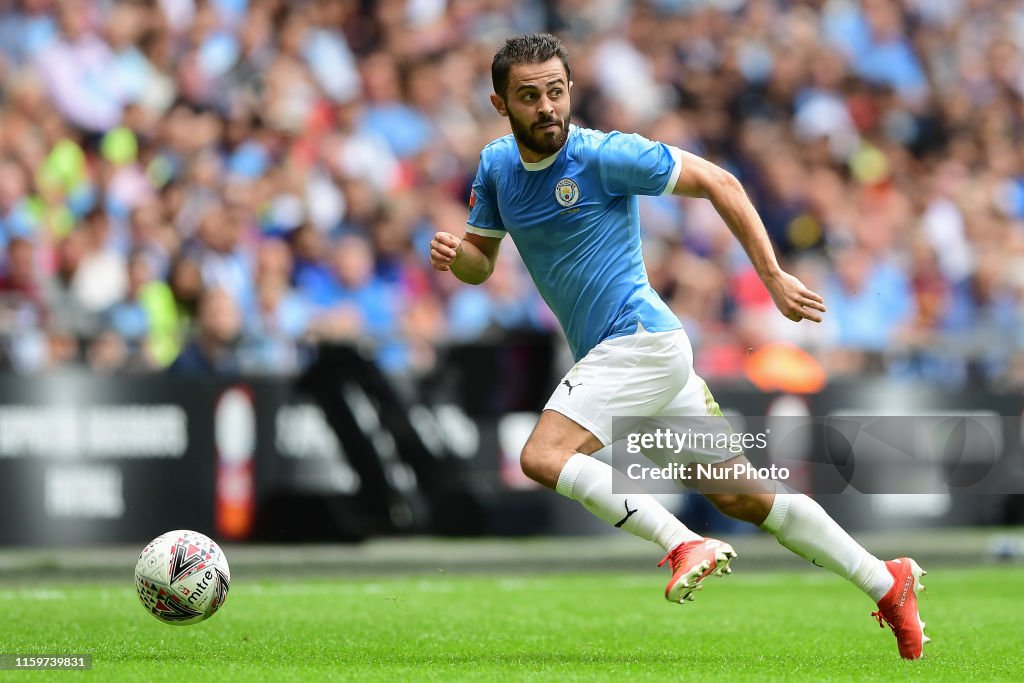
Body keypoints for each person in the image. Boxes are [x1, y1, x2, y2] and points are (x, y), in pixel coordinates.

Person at [430, 33, 928, 660]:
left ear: (570, 92)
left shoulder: (604, 155)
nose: (547, 106)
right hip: (632, 360)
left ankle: (680, 542)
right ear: (501, 103)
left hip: (640, 344)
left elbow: (719, 181)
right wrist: (460, 259)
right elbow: (482, 262)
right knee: (743, 496)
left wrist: (772, 276)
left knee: (543, 456)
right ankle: (887, 583)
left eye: (556, 92)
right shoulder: (497, 166)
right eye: (530, 96)